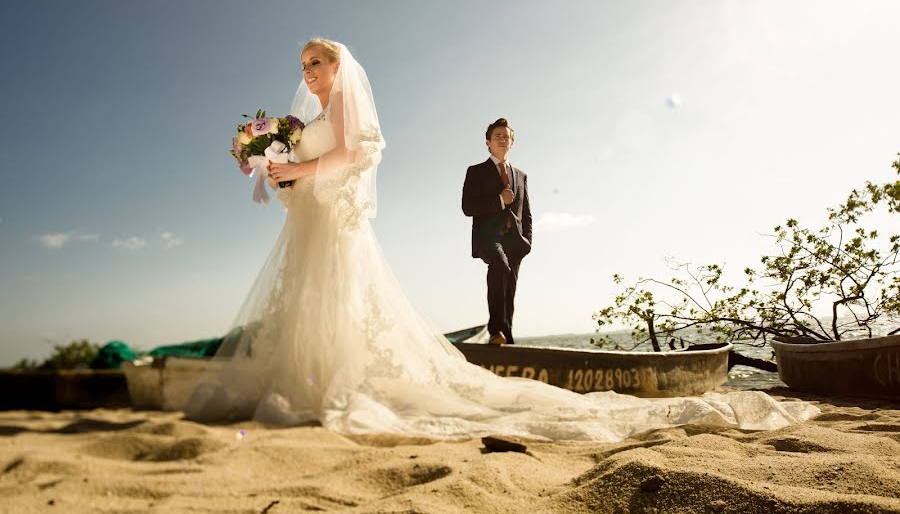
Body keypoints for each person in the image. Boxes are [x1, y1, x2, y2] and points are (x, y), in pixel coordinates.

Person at [184, 39, 818, 441]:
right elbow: (331, 162)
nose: (310, 73)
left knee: (363, 301)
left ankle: (484, 341)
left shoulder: (346, 112)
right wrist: (279, 170)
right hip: (320, 225)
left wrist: (297, 169)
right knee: (313, 304)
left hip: (364, 229)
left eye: (317, 63)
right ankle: (320, 381)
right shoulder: (310, 121)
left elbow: (351, 155)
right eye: (303, 67)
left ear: (339, 67)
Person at [462, 119, 532, 345]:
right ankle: (495, 331)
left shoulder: (521, 175)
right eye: (497, 136)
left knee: (510, 289)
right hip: (488, 238)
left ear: (512, 142)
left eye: (506, 136)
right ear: (488, 143)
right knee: (499, 266)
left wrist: (527, 241)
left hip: (516, 242)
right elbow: (468, 207)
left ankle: (507, 338)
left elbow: (527, 212)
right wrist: (499, 201)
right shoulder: (475, 171)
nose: (502, 139)